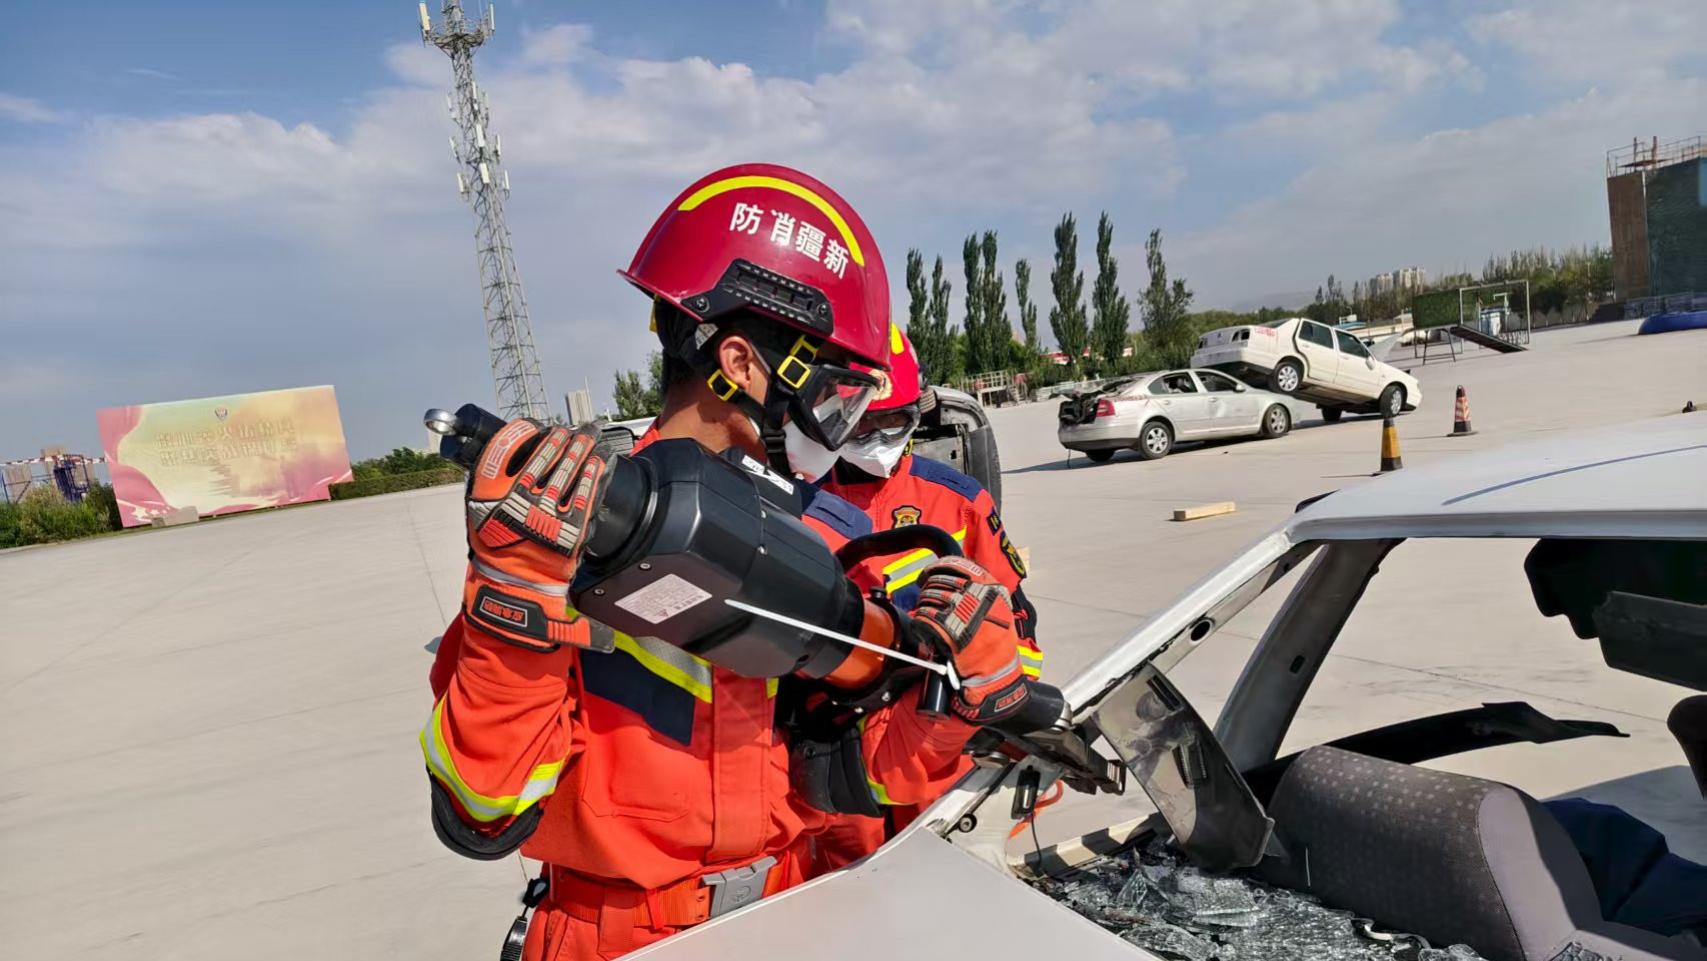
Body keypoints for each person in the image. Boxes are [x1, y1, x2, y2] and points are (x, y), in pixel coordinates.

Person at [421, 164, 1039, 961]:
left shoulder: (829, 541)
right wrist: (514, 599)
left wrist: (954, 706)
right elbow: (481, 810)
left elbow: (851, 781)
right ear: (742, 363)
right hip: (615, 938)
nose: (842, 431)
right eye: (836, 397)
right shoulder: (561, 536)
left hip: (798, 911)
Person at [808, 325, 1043, 868]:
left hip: (937, 738)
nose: (877, 438)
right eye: (862, 422)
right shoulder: (799, 501)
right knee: (848, 885)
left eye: (893, 420)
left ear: (918, 413)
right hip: (837, 749)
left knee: (951, 874)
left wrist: (999, 706)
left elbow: (1015, 620)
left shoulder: (958, 501)